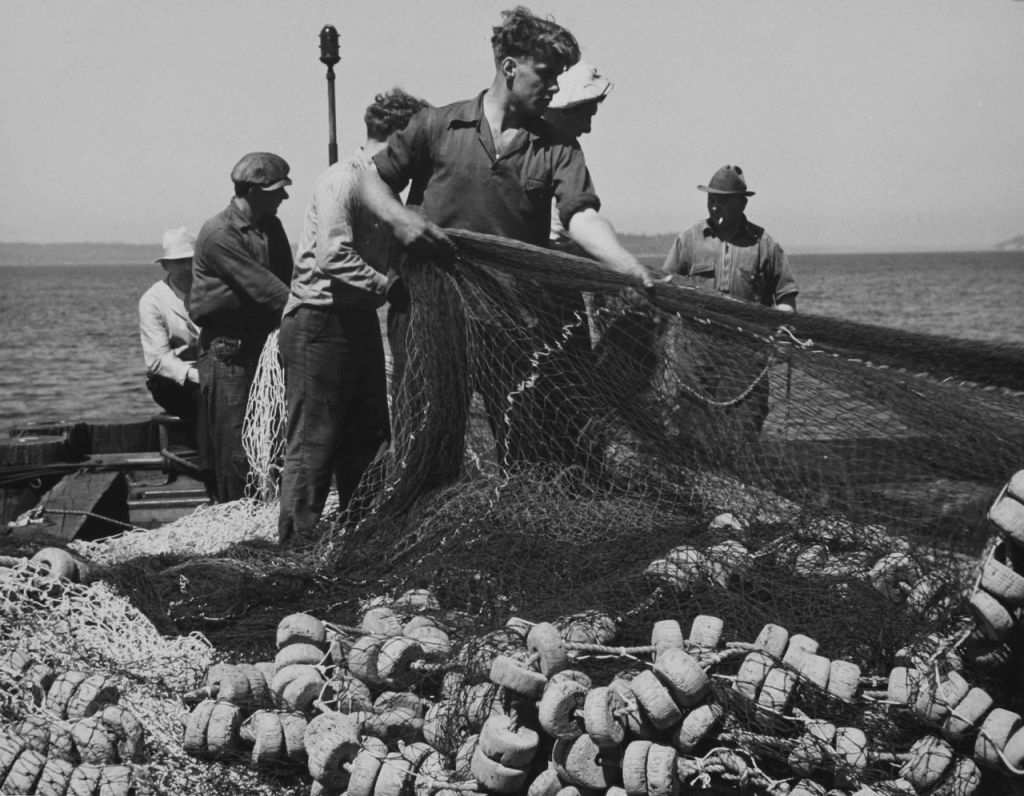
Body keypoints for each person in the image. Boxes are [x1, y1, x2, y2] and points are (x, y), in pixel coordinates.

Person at [357, 6, 658, 466]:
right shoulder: (437, 125)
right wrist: (401, 220)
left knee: (524, 446)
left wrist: (626, 265)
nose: (556, 85)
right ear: (509, 67)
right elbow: (371, 182)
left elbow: (581, 216)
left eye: (560, 74)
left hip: (513, 323)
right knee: (424, 444)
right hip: (429, 314)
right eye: (547, 72)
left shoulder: (559, 148)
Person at [278, 89, 429, 546]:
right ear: (402, 137)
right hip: (318, 322)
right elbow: (333, 255)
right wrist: (388, 285)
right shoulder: (342, 180)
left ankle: (361, 538)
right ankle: (296, 549)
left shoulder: (388, 191)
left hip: (359, 321)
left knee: (370, 437)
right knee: (314, 440)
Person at [661, 164, 798, 436]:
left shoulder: (764, 245)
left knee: (743, 426)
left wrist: (782, 338)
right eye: (712, 199)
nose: (715, 206)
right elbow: (666, 287)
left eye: (723, 201)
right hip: (695, 354)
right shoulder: (689, 240)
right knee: (689, 428)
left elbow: (785, 298)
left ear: (742, 203)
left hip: (746, 357)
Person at [189, 152, 293, 502]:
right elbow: (265, 287)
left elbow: (286, 280)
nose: (285, 196)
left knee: (273, 440)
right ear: (252, 190)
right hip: (227, 354)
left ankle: (268, 515)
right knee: (237, 450)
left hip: (264, 349)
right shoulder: (218, 233)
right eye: (278, 189)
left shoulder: (271, 227)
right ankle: (238, 524)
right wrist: (310, 311)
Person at [542, 61, 612, 250]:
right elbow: (557, 235)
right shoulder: (563, 150)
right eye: (587, 116)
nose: (588, 128)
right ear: (566, 111)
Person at [138, 227, 200, 421]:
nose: (187, 268)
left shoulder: (214, 289)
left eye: (191, 261)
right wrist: (192, 374)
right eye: (180, 262)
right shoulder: (151, 301)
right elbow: (157, 360)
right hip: (172, 380)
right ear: (166, 266)